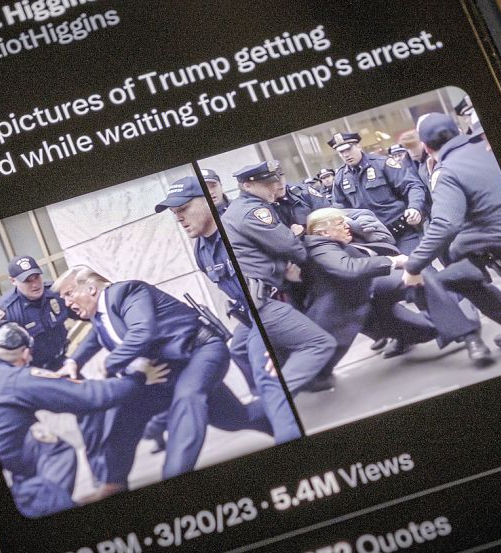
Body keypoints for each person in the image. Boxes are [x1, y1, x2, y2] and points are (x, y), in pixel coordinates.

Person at [54, 268, 268, 491]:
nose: (67, 303)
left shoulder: (126, 292)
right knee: (234, 418)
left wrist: (107, 366)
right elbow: (95, 338)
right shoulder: (100, 316)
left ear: (91, 289)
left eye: (69, 294)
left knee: (187, 399)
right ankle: (113, 484)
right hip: (175, 368)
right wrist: (73, 362)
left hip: (201, 351)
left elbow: (142, 332)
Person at [154, 176, 302, 444]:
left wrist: (285, 275)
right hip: (249, 313)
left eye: (183, 209)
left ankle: (289, 430)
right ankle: (271, 406)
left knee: (263, 366)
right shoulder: (201, 249)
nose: (179, 219)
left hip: (272, 303)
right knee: (239, 349)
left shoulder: (235, 227)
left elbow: (280, 250)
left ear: (208, 201)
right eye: (175, 213)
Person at [0, 322, 168, 516]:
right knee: (54, 446)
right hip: (3, 458)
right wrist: (139, 378)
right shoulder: (16, 378)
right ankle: (48, 509)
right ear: (25, 354)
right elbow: (89, 396)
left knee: (37, 442)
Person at [402, 113, 501, 360]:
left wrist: (413, 267)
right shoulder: (488, 148)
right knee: (459, 269)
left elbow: (446, 224)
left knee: (455, 275)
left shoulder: (448, 170)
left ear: (426, 146)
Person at [221, 160, 337, 394]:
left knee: (248, 350)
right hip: (266, 298)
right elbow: (294, 249)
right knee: (319, 343)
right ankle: (277, 399)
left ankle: (274, 395)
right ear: (248, 186)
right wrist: (296, 234)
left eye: (276, 180)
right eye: (268, 184)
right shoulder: (254, 212)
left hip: (258, 297)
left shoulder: (238, 210)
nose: (275, 187)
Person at [303, 208, 437, 372]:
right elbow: (349, 268)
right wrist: (393, 261)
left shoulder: (330, 242)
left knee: (424, 320)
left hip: (362, 297)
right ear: (323, 232)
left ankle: (459, 328)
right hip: (341, 313)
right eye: (340, 223)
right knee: (314, 375)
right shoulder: (320, 248)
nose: (347, 226)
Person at [328, 131, 430, 255]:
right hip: (374, 240)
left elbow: (412, 186)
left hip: (402, 232)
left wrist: (414, 207)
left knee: (418, 269)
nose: (346, 154)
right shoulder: (340, 177)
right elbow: (339, 210)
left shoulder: (382, 164)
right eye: (341, 152)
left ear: (358, 146)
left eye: (348, 149)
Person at [0, 256, 79, 373]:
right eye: (28, 280)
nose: (35, 284)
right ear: (13, 281)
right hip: (29, 372)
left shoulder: (55, 293)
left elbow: (88, 314)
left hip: (61, 363)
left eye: (37, 277)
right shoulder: (5, 312)